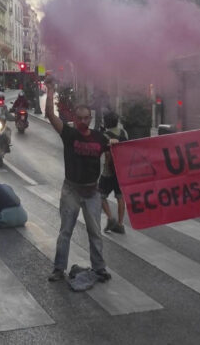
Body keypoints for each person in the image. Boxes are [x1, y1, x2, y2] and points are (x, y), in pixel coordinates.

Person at [44, 77, 117, 282]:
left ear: (91, 119)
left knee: (95, 233)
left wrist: (115, 144)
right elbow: (50, 114)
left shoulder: (100, 138)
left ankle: (99, 268)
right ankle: (59, 269)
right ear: (75, 119)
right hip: (71, 191)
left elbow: (118, 151)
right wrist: (50, 90)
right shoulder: (69, 134)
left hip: (92, 192)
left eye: (87, 118)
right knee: (65, 231)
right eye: (80, 118)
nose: (84, 121)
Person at [99, 111, 128, 234]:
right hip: (122, 170)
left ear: (106, 122)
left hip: (108, 172)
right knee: (120, 197)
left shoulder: (105, 136)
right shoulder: (124, 133)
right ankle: (120, 224)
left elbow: (105, 153)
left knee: (99, 195)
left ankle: (110, 218)